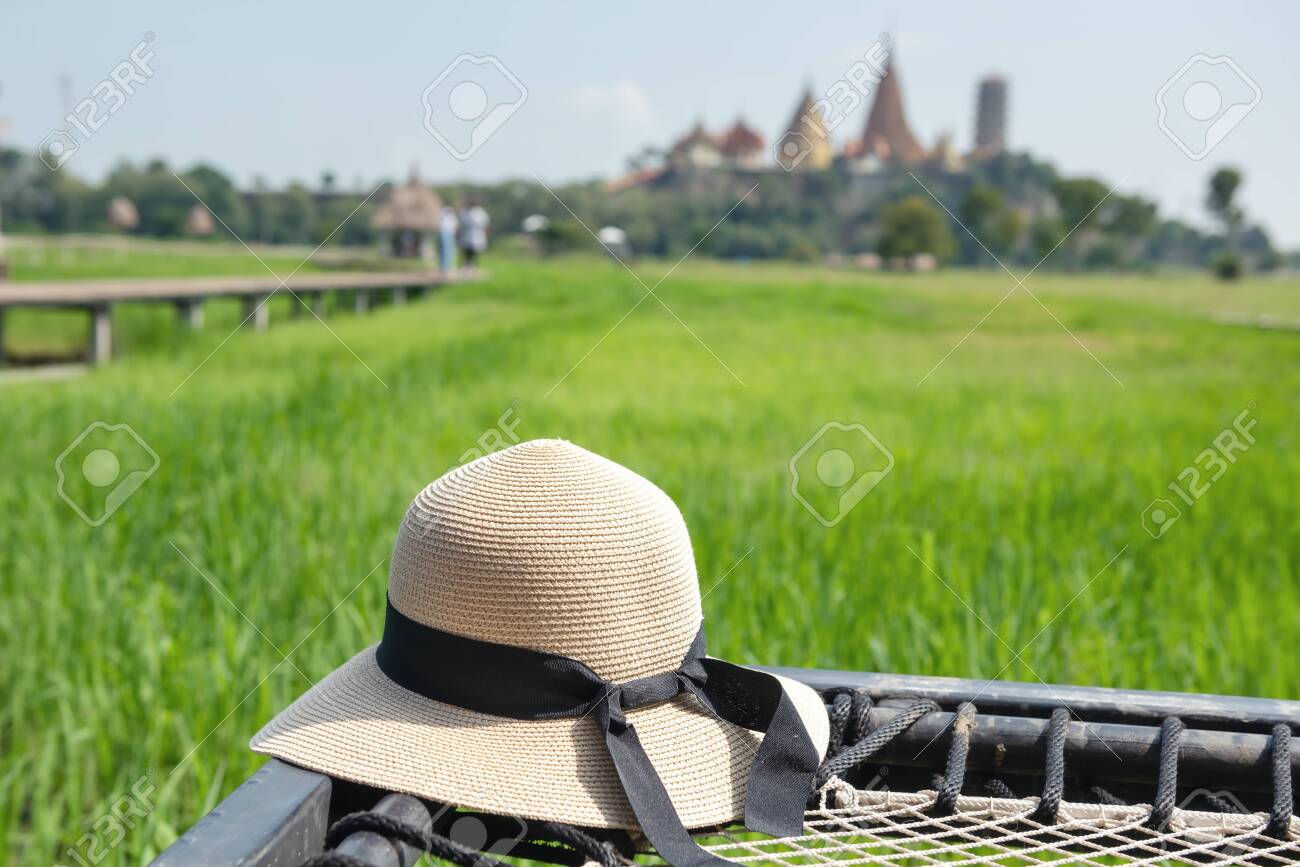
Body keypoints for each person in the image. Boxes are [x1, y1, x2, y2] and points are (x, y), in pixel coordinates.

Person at [458, 200, 490, 270]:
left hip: (477, 234)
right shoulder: (465, 211)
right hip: (467, 234)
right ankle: (467, 264)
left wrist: (486, 234)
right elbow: (461, 224)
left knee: (475, 250)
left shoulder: (481, 212)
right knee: (467, 250)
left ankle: (474, 265)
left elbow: (485, 224)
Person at [437, 205, 458, 273]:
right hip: (446, 233)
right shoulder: (444, 214)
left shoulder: (448, 215)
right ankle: (444, 266)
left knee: (448, 250)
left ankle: (446, 266)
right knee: (446, 250)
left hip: (448, 233)